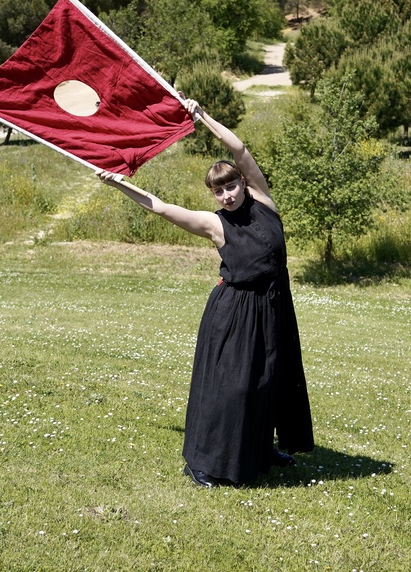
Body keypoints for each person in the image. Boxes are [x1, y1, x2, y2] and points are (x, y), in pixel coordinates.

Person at [97, 98, 314, 487]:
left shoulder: (265, 202)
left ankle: (261, 449)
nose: (227, 194)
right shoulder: (214, 225)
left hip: (274, 305)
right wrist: (120, 185)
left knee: (268, 381)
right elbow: (161, 208)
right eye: (219, 191)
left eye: (231, 185)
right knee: (232, 387)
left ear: (243, 183)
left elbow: (240, 149)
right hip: (235, 312)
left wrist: (202, 118)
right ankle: (204, 462)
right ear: (213, 196)